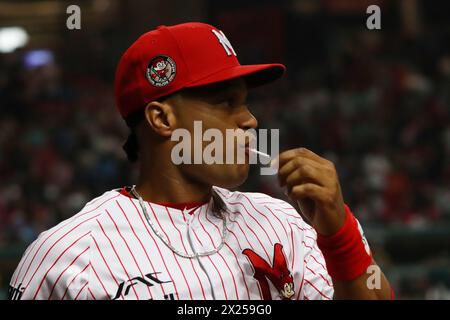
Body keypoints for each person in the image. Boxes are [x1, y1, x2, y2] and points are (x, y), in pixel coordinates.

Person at [9, 22, 392, 300]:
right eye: (225, 102)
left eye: (245, 102)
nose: (250, 120)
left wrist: (339, 234)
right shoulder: (70, 254)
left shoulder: (283, 222)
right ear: (161, 119)